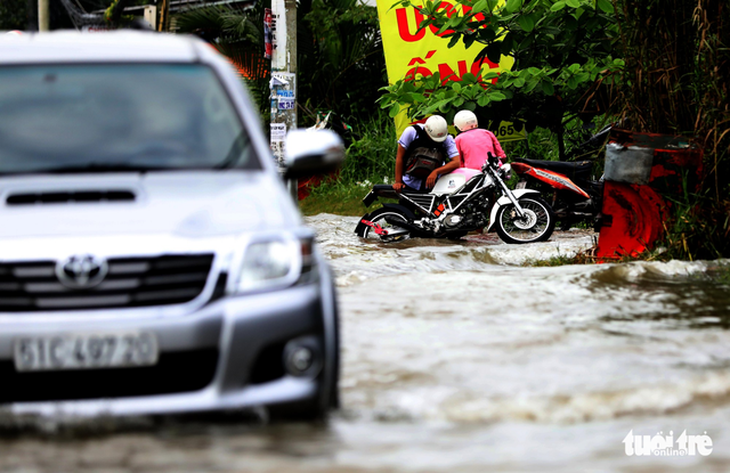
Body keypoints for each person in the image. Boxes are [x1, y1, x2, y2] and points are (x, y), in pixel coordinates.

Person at [393, 115, 461, 192]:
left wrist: (436, 172)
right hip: (409, 181)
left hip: (433, 184)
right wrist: (398, 182)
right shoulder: (412, 132)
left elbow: (456, 162)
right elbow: (400, 157)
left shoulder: (447, 139)